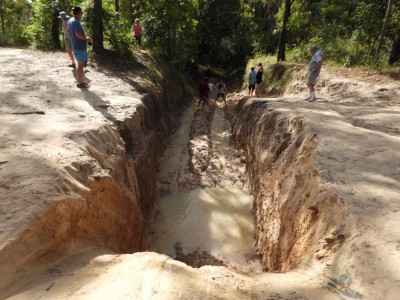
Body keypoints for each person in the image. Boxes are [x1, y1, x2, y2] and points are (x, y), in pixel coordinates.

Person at [68, 6, 92, 88]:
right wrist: (87, 39)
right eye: (81, 12)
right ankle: (80, 82)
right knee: (80, 65)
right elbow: (77, 34)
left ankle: (81, 81)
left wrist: (73, 41)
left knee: (81, 64)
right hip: (80, 47)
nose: (82, 14)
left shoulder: (71, 20)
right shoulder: (76, 22)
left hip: (75, 46)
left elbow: (68, 33)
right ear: (78, 13)